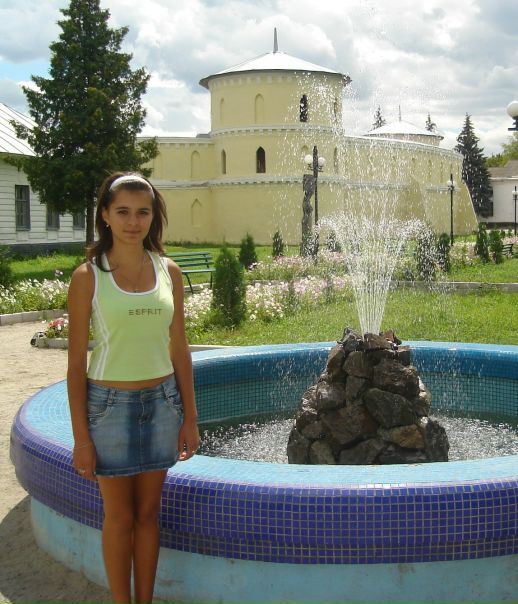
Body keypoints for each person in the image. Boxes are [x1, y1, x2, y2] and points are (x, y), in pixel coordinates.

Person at [67, 171, 200, 604]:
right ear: (105, 215)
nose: (133, 221)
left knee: (147, 514)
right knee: (119, 518)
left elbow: (179, 349)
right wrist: (81, 438)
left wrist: (190, 418)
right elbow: (75, 364)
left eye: (143, 212)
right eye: (122, 211)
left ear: (153, 217)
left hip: (163, 404)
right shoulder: (88, 277)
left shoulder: (169, 271)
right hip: (109, 407)